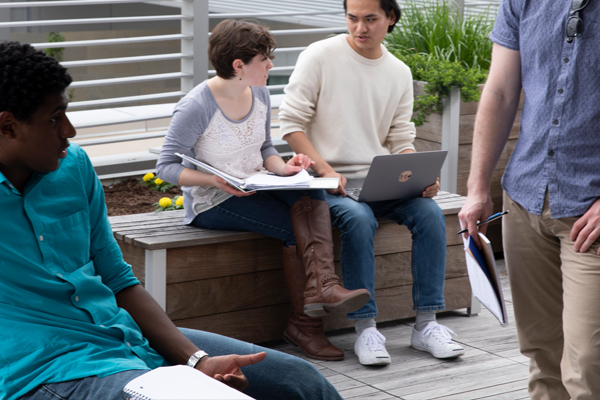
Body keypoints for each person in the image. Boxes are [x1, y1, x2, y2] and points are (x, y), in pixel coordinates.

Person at [0, 40, 344, 400]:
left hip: (122, 334)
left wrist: (196, 360)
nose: (69, 131)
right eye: (54, 118)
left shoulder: (74, 166)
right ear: (8, 126)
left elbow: (117, 278)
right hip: (45, 367)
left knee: (303, 382)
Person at [156, 19, 370, 362]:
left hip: (256, 183)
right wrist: (214, 180)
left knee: (310, 188)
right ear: (239, 65)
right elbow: (165, 167)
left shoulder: (259, 92)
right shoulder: (196, 106)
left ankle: (324, 287)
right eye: (264, 60)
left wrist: (287, 169)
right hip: (216, 200)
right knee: (292, 227)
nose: (271, 65)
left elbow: (265, 149)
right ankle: (305, 326)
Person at [278, 0, 465, 366]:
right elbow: (291, 124)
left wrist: (418, 175)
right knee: (358, 219)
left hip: (380, 181)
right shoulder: (319, 56)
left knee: (429, 212)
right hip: (324, 183)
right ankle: (366, 329)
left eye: (370, 19)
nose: (359, 28)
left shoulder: (397, 71)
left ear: (390, 19)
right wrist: (326, 170)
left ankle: (426, 325)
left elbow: (400, 136)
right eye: (352, 18)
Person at [458, 0, 600, 398]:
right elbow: (501, 92)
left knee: (589, 364)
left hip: (590, 214)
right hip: (524, 197)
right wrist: (477, 187)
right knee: (542, 353)